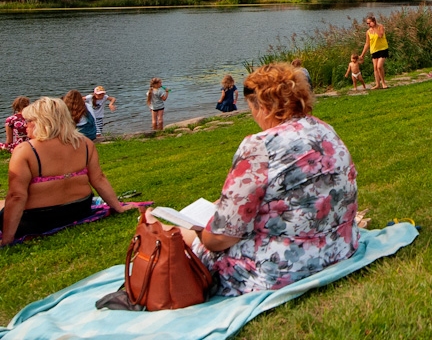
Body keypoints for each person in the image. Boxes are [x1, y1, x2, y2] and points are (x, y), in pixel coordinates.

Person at [145, 62, 359, 296]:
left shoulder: (260, 146)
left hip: (282, 269)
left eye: (252, 109)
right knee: (210, 216)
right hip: (338, 248)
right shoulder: (323, 129)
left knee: (181, 235)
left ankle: (157, 228)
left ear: (264, 107)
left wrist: (200, 233)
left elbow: (220, 238)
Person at [1, 97, 126, 245]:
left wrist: (7, 238)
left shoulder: (26, 150)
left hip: (36, 220)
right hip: (79, 209)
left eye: (29, 121)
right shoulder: (85, 144)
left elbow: (16, 196)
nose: (25, 126)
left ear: (42, 122)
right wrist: (118, 208)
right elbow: (99, 179)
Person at [359, 15, 389, 90]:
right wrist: (362, 55)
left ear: (374, 22)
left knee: (379, 66)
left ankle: (383, 83)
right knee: (375, 68)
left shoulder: (380, 27)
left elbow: (380, 35)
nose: (368, 25)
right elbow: (367, 44)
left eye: (369, 23)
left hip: (383, 49)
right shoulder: (368, 32)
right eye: (367, 23)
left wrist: (374, 28)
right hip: (374, 50)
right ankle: (377, 84)